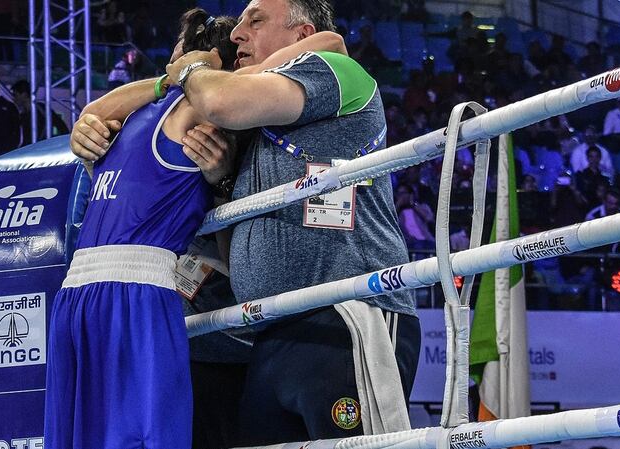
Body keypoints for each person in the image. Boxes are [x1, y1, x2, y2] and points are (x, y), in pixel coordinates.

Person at [73, 0, 420, 444]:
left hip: (346, 312)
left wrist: (191, 70)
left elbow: (218, 98)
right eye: (238, 25)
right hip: (271, 328)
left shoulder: (332, 67)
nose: (238, 35)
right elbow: (232, 256)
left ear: (302, 35)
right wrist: (220, 182)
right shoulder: (258, 126)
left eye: (255, 22)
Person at [45, 10, 239, 449]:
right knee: (151, 438)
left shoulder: (131, 116)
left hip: (74, 296)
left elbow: (95, 108)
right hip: (136, 295)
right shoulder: (188, 111)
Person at [10, 80, 68, 146]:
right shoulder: (22, 114)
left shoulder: (41, 109)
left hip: (43, 148)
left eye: (15, 95)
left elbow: (61, 125)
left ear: (24, 94)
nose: (14, 98)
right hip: (30, 150)